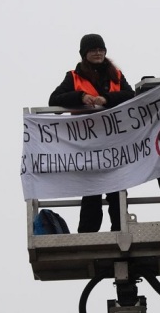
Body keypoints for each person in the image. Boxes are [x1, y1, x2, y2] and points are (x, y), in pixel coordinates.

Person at [49, 33, 135, 232]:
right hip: (87, 145)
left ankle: (121, 231)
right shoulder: (73, 76)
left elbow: (131, 96)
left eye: (101, 49)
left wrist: (106, 98)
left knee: (117, 192)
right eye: (93, 50)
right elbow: (54, 100)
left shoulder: (117, 75)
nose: (98, 53)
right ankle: (87, 234)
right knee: (91, 192)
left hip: (114, 143)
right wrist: (81, 96)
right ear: (84, 54)